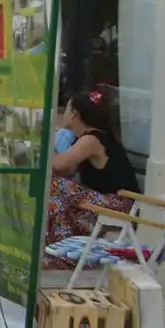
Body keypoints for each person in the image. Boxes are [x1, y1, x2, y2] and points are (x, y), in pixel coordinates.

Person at [46, 90, 138, 246]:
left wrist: (39, 150)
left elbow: (60, 164)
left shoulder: (92, 139)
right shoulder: (87, 138)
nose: (63, 114)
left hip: (120, 205)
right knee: (55, 184)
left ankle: (60, 244)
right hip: (106, 201)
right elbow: (65, 171)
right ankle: (58, 242)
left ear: (74, 113)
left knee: (54, 185)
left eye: (66, 109)